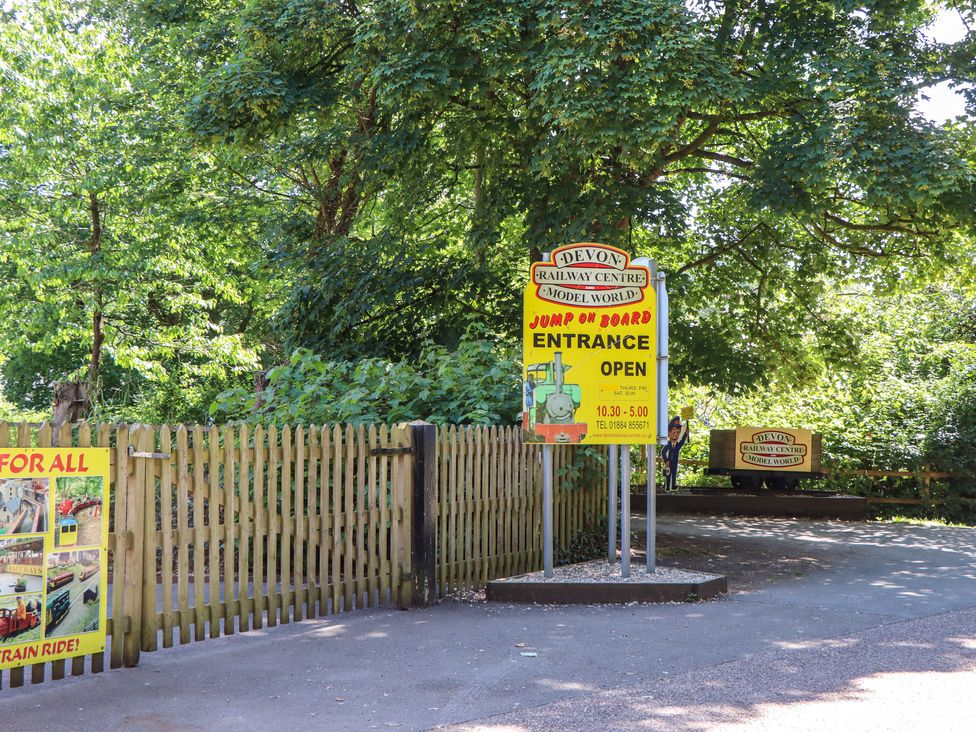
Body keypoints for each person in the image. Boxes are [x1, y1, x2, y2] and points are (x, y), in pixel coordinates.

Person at [660, 416, 689, 492]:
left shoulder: (677, 445)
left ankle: (673, 485)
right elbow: (663, 452)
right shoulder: (668, 444)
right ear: (669, 433)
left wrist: (686, 434)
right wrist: (666, 461)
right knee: (668, 474)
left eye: (677, 432)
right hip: (669, 462)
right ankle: (667, 487)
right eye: (673, 432)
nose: (675, 434)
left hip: (675, 462)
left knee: (674, 474)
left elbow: (682, 441)